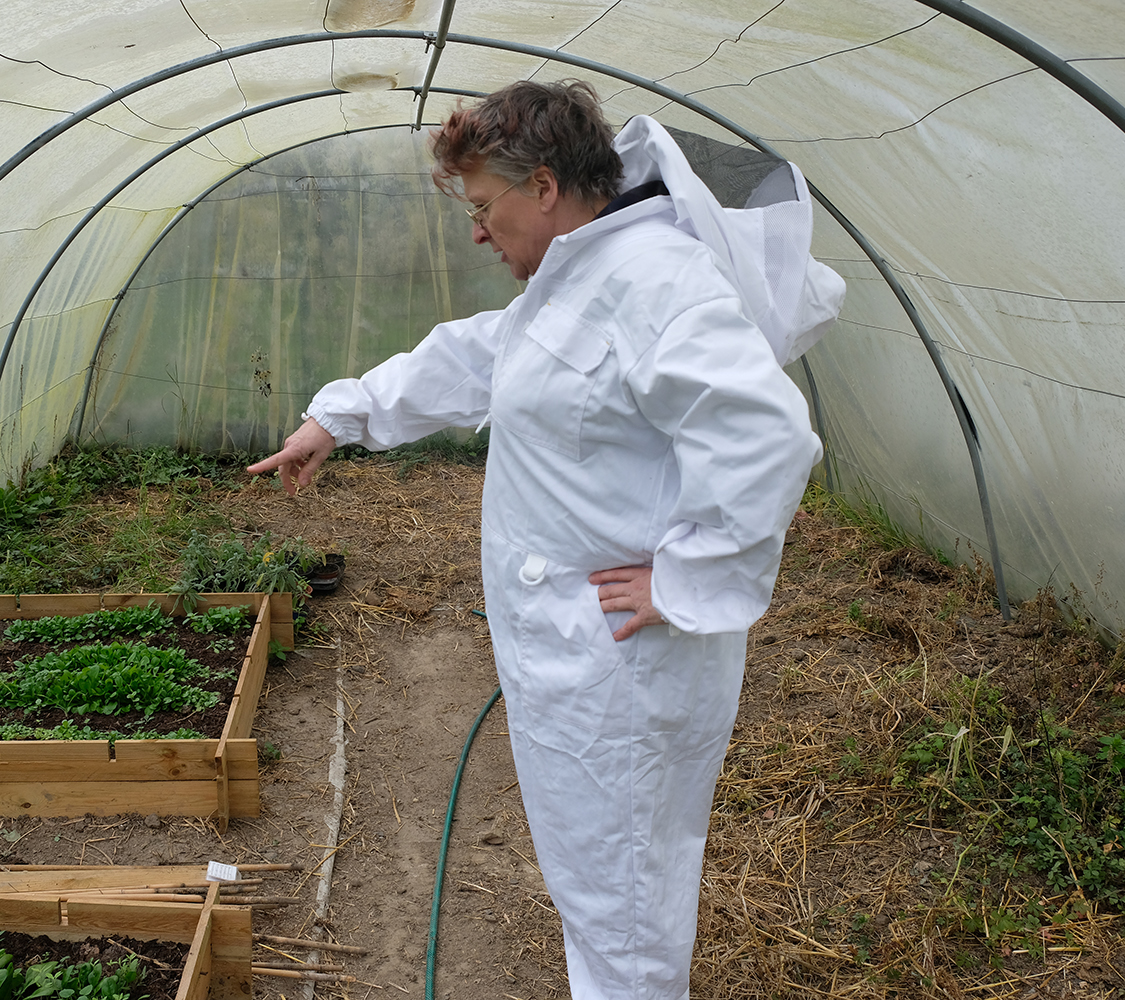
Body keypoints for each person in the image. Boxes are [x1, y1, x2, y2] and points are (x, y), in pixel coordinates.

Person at [248, 81, 844, 1000]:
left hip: (627, 674)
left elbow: (762, 434)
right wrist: (343, 415)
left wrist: (685, 580)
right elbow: (486, 357)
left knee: (627, 909)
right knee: (598, 892)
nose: (479, 232)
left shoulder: (656, 281)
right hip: (577, 665)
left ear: (548, 187)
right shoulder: (582, 276)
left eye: (487, 207)